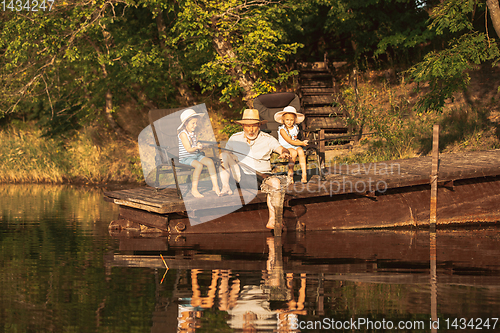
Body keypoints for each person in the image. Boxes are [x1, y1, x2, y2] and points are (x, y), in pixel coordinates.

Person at [219, 109, 291, 229]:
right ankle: (225, 187)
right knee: (224, 156)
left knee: (276, 183)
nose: (251, 130)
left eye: (254, 126)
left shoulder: (267, 139)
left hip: (261, 177)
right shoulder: (234, 138)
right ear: (243, 126)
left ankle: (273, 219)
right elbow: (224, 156)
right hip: (240, 176)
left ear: (259, 125)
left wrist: (284, 153)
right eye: (248, 126)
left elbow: (281, 149)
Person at [177, 109, 221, 198]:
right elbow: (189, 149)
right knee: (199, 165)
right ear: (186, 123)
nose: (195, 125)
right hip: (186, 158)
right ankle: (194, 189)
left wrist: (198, 145)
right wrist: (196, 147)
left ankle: (215, 186)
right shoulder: (183, 134)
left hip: (196, 155)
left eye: (196, 123)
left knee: (210, 162)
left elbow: (194, 144)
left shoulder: (194, 133)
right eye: (193, 123)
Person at [274, 106, 309, 184]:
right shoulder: (282, 130)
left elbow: (295, 139)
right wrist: (301, 143)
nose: (289, 122)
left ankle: (304, 173)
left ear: (295, 120)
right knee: (293, 152)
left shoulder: (295, 128)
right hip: (285, 146)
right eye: (287, 120)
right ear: (283, 120)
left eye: (291, 120)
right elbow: (289, 141)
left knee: (300, 151)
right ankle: (290, 173)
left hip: (294, 144)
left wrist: (302, 142)